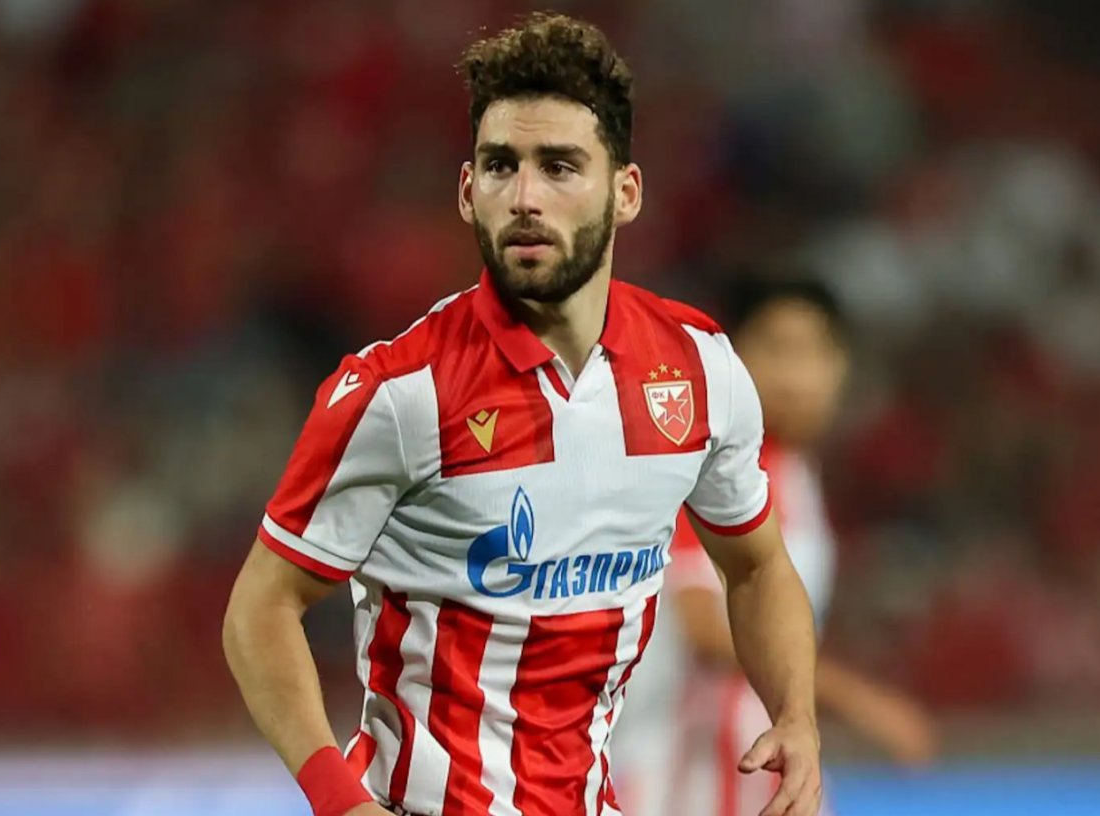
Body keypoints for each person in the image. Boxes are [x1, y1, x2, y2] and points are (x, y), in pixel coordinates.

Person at [222, 13, 823, 816]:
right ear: (467, 190)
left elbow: (757, 566)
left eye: (560, 167)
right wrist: (339, 801)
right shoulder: (401, 391)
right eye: (500, 165)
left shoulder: (698, 371)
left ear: (626, 192)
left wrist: (796, 715)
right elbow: (261, 607)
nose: (526, 197)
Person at [612, 277, 939, 816]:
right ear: (732, 360)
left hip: (759, 772)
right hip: (689, 779)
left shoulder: (795, 473)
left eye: (815, 352)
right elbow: (703, 628)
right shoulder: (716, 471)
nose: (796, 376)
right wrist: (858, 700)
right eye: (777, 349)